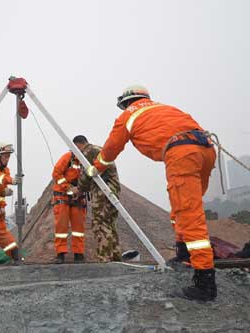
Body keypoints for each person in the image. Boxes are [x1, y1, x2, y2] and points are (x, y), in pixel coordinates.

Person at [86, 85, 217, 301]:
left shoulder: (128, 115)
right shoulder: (165, 109)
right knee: (183, 208)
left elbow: (110, 150)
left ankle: (205, 282)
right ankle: (184, 256)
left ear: (127, 102)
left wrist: (95, 168)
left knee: (188, 213)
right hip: (206, 150)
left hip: (181, 153)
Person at [73, 135, 122, 262]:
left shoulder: (88, 152)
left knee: (100, 223)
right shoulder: (98, 149)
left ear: (78, 145)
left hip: (102, 191)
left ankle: (104, 258)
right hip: (112, 190)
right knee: (109, 223)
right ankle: (116, 256)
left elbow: (86, 174)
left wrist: (79, 189)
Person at [52, 149, 87, 264]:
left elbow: (88, 179)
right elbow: (56, 173)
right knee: (61, 227)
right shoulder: (68, 157)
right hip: (62, 197)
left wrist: (80, 190)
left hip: (78, 198)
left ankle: (79, 254)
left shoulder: (85, 161)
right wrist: (68, 187)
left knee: (79, 228)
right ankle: (60, 254)